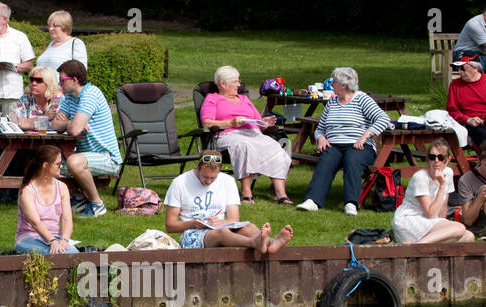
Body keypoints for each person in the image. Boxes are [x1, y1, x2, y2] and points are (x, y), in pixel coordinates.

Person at [296, 67, 392, 215]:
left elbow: (383, 119)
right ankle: (313, 200)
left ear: (344, 85)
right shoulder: (332, 102)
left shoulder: (362, 99)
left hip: (359, 146)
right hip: (334, 145)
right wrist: (320, 138)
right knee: (327, 158)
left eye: (334, 82)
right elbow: (320, 128)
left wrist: (366, 135)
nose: (332, 85)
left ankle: (351, 203)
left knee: (352, 159)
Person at [164, 151, 293, 253]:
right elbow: (170, 225)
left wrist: (221, 222)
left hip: (219, 226)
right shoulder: (180, 183)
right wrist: (194, 223)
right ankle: (255, 243)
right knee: (222, 233)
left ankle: (271, 242)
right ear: (198, 167)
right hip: (192, 234)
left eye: (213, 178)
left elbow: (234, 218)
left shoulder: (227, 181)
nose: (208, 181)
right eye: (205, 177)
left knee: (248, 227)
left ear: (219, 170)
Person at [200, 65, 291, 204]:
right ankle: (246, 192)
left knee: (274, 146)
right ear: (222, 84)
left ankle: (280, 194)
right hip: (228, 135)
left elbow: (257, 121)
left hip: (253, 134)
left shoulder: (244, 99)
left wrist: (263, 122)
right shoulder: (213, 99)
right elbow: (206, 123)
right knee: (244, 146)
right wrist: (230, 123)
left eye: (239, 81)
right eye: (235, 81)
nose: (239, 84)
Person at [49, 59, 122, 217]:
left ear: (74, 80)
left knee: (73, 162)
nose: (60, 84)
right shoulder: (70, 97)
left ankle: (97, 204)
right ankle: (79, 197)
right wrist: (70, 122)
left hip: (107, 157)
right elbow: (55, 125)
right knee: (48, 161)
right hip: (85, 155)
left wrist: (69, 124)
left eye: (62, 80)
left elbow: (74, 131)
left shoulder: (90, 95)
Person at [391, 138, 475, 244]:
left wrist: (443, 227)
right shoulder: (420, 177)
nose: (436, 161)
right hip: (410, 219)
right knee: (460, 228)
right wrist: (442, 186)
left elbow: (443, 209)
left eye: (440, 157)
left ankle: (426, 246)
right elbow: (431, 214)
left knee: (469, 236)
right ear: (428, 159)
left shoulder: (448, 172)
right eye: (432, 157)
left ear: (448, 159)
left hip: (429, 221)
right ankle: (418, 246)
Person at [14, 146, 78, 255]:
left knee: (72, 253)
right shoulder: (27, 190)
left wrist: (65, 240)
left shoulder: (62, 187)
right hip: (29, 238)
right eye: (58, 164)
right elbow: (35, 222)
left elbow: (67, 219)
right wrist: (52, 241)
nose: (61, 166)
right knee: (57, 254)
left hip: (55, 237)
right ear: (45, 165)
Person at [447, 57, 486, 154]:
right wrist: (468, 120)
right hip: (468, 123)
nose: (459, 72)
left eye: (462, 68)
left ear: (476, 68)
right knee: (480, 133)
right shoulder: (455, 84)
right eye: (457, 69)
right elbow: (452, 111)